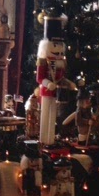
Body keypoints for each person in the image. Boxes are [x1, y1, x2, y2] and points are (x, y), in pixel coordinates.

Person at [36, 16, 67, 146]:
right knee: (45, 115)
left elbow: (61, 77)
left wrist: (68, 83)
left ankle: (51, 140)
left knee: (53, 115)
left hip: (56, 93)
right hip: (46, 91)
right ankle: (43, 140)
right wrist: (48, 84)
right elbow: (39, 78)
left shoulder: (61, 62)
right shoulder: (43, 61)